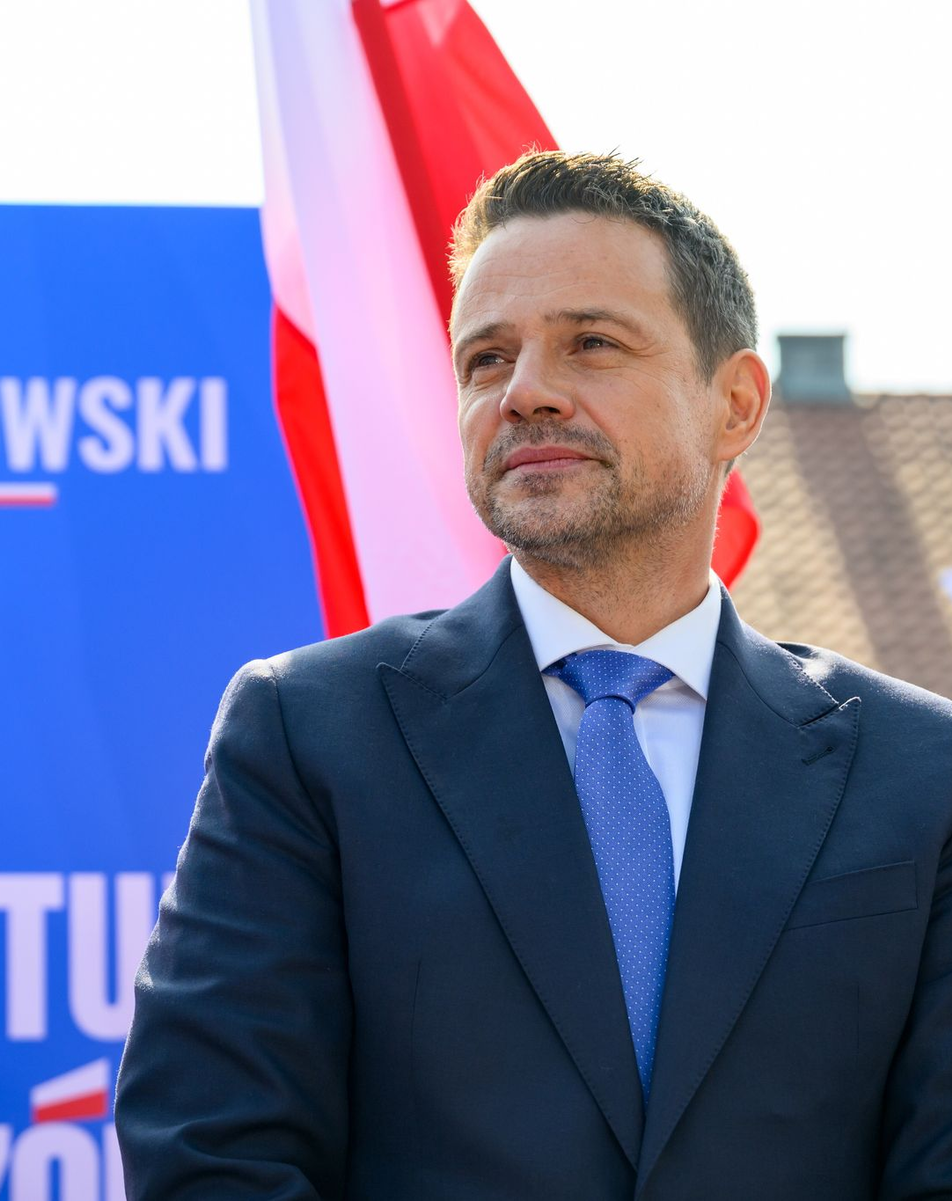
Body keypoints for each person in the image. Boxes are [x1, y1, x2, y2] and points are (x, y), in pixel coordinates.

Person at [114, 152, 952, 1199]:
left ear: (735, 402)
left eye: (590, 343)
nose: (524, 393)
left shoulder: (923, 772)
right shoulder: (306, 736)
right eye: (485, 360)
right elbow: (212, 1154)